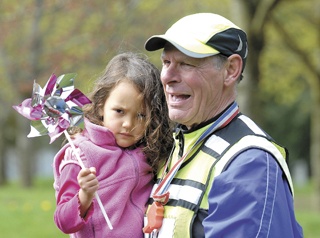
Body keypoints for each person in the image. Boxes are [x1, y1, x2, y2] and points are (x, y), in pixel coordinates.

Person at [142, 13, 303, 238]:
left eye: (186, 64)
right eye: (166, 62)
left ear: (230, 70)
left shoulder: (250, 163)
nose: (167, 76)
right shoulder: (174, 146)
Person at [52, 52, 173, 238]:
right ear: (101, 105)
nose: (128, 124)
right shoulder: (81, 155)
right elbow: (63, 221)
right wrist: (84, 196)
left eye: (141, 115)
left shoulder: (149, 150)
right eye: (119, 111)